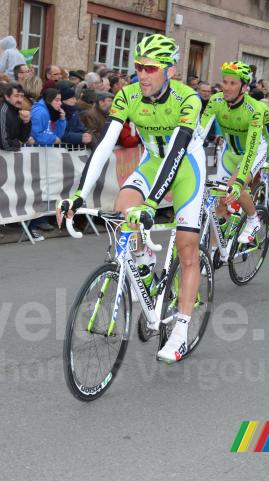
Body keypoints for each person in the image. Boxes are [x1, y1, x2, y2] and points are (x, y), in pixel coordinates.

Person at [56, 33, 205, 363]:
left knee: (186, 247)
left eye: (151, 68)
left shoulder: (188, 99)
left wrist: (152, 204)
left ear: (170, 70)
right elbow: (106, 145)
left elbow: (178, 152)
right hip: (152, 160)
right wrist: (78, 195)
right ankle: (147, 269)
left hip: (187, 166)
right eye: (138, 66)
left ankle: (180, 330)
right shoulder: (127, 96)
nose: (143, 73)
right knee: (124, 208)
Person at [200, 60, 269, 238]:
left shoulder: (255, 109)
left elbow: (253, 147)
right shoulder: (215, 101)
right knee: (219, 200)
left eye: (233, 83)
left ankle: (254, 219)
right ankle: (217, 252)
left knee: (233, 187)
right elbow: (199, 134)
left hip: (253, 152)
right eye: (225, 82)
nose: (227, 87)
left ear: (244, 87)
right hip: (229, 152)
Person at [0, 82, 29, 151]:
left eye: (22, 96)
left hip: (9, 157)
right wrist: (18, 143)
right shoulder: (2, 112)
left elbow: (23, 139)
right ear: (7, 97)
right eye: (16, 96)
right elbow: (4, 144)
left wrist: (26, 122)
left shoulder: (17, 111)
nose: (20, 100)